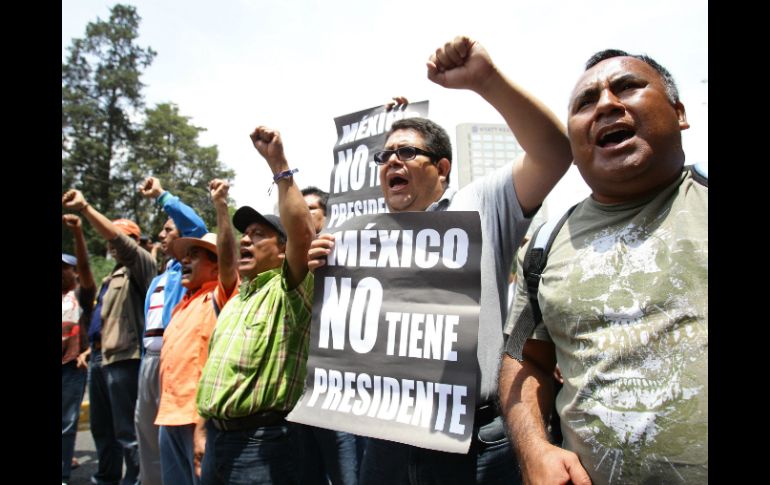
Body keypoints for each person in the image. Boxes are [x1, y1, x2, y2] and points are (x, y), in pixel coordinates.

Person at [308, 35, 572, 484]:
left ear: (442, 168)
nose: (392, 161)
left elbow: (554, 151)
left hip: (472, 444)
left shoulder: (478, 204)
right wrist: (326, 268)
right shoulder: (359, 237)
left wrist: (486, 81)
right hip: (386, 440)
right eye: (385, 156)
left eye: (407, 152)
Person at [498, 49, 707, 484]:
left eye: (628, 87)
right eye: (585, 101)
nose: (607, 104)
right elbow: (523, 357)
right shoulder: (545, 245)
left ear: (680, 113)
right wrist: (535, 450)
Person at [195, 126, 316, 485]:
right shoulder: (235, 300)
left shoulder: (289, 291)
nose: (246, 241)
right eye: (245, 235)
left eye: (259, 235)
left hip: (263, 443)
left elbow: (303, 235)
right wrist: (202, 429)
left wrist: (278, 164)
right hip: (217, 440)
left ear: (283, 250)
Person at [62, 190, 157, 485]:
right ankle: (107, 477)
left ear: (135, 241)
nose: (111, 242)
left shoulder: (142, 267)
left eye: (118, 237)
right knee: (102, 428)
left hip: (125, 357)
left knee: (128, 430)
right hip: (99, 357)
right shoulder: (111, 277)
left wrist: (86, 209)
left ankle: (137, 480)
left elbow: (121, 243)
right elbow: (98, 313)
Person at [135, 176, 208, 485]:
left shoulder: (186, 272)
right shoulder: (159, 279)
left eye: (169, 229)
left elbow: (196, 227)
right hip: (152, 362)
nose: (161, 235)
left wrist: (162, 196)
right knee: (148, 433)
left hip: (179, 363)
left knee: (182, 438)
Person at [154, 232, 235, 485]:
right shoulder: (180, 307)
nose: (185, 261)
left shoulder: (221, 296)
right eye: (185, 256)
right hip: (169, 416)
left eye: (195, 255)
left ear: (217, 267)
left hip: (199, 419)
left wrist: (203, 426)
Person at [298, 185, 360, 485]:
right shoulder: (291, 263)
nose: (303, 213)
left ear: (327, 215)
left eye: (310, 208)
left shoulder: (349, 256)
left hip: (341, 399)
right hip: (301, 398)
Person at [62, 215, 97, 485]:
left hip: (72, 367)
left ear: (74, 272)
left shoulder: (81, 296)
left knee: (67, 423)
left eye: (64, 268)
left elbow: (86, 269)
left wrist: (77, 234)